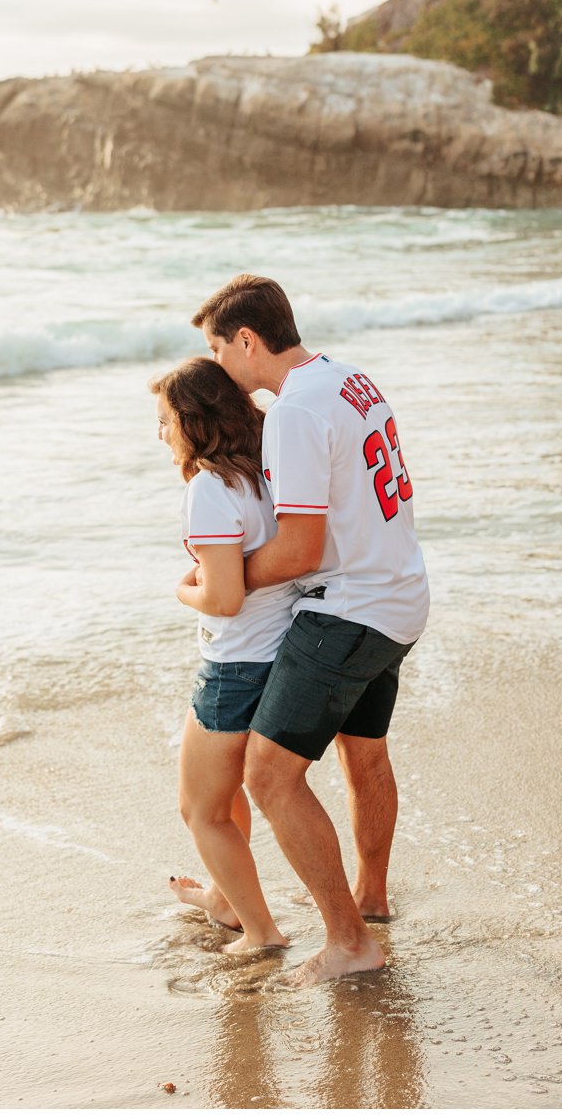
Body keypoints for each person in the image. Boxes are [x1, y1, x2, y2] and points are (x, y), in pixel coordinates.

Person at [192, 274, 430, 987]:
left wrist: (222, 582)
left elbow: (297, 551)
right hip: (401, 594)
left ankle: (350, 941)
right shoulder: (348, 378)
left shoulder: (294, 411)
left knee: (269, 777)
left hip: (348, 609)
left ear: (247, 339)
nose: (217, 368)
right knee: (365, 756)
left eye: (217, 349)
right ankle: (370, 896)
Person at [152, 357, 295, 953]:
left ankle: (259, 933)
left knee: (200, 810)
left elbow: (224, 598)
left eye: (163, 420)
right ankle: (225, 899)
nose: (159, 434)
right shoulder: (268, 471)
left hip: (234, 666)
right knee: (226, 794)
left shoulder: (209, 488)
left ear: (191, 422)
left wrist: (182, 589)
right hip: (276, 655)